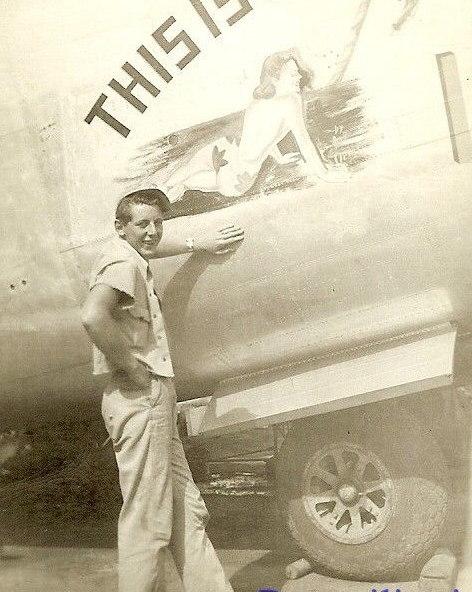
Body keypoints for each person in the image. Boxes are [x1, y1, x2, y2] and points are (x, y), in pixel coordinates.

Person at [81, 188, 244, 592]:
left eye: (158, 222)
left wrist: (196, 243)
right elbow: (93, 316)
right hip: (140, 397)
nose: (152, 231)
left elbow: (150, 244)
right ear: (120, 227)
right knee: (148, 522)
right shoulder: (123, 262)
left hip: (152, 397)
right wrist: (133, 368)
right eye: (143, 223)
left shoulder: (126, 251)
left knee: (187, 510)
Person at [161, 48, 348, 202]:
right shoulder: (287, 101)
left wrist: (279, 157)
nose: (299, 76)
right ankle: (167, 191)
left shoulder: (263, 101)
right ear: (275, 77)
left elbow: (267, 135)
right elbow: (299, 140)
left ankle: (163, 192)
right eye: (293, 73)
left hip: (233, 161)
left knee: (179, 180)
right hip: (236, 166)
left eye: (297, 71)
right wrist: (324, 174)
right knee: (181, 183)